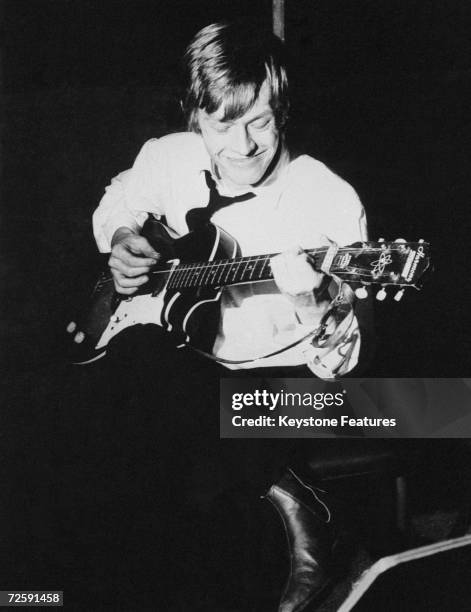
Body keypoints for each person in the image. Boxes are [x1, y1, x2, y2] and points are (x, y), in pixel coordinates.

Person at [91, 21, 371, 611]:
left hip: (288, 395)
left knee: (159, 409)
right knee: (129, 384)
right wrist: (120, 236)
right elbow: (121, 194)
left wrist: (311, 300)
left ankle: (297, 521)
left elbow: (342, 364)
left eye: (260, 122)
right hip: (183, 383)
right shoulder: (166, 157)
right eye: (221, 125)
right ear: (195, 115)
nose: (242, 146)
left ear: (284, 112)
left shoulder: (329, 200)